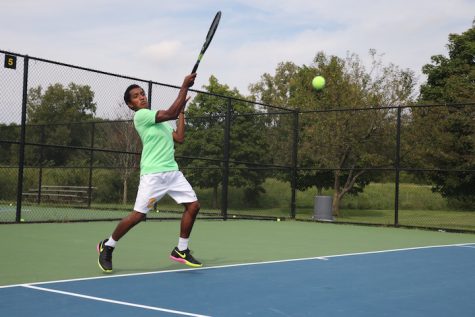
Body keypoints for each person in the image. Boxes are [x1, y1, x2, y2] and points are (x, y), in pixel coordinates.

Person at [97, 73, 202, 273]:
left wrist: (182, 112)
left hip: (172, 174)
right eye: (136, 96)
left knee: (194, 206)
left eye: (142, 93)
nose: (142, 97)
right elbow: (170, 112)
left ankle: (181, 250)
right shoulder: (142, 116)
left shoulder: (161, 121)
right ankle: (108, 245)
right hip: (153, 177)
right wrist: (184, 87)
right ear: (131, 105)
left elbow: (179, 138)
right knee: (138, 216)